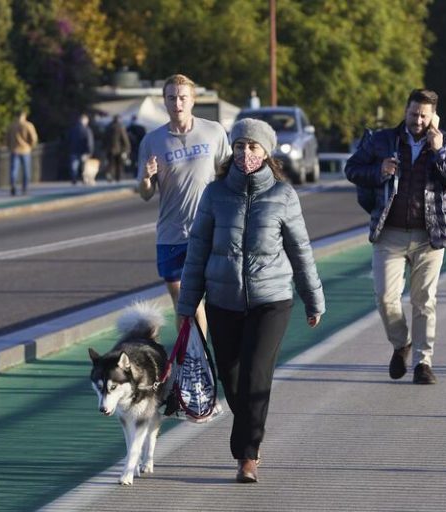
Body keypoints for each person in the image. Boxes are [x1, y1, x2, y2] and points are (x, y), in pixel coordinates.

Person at [176, 118, 325, 484]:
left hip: (271, 300)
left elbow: (300, 251)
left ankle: (248, 454)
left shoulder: (283, 196)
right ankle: (246, 443)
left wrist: (313, 299)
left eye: (253, 147)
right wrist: (186, 306)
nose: (246, 153)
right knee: (232, 376)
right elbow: (197, 251)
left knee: (257, 374)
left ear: (266, 152)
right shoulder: (214, 194)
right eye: (240, 146)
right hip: (222, 300)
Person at [344, 89, 446, 385]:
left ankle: (423, 363)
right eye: (413, 113)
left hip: (429, 236)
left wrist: (439, 152)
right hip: (389, 233)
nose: (417, 120)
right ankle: (402, 344)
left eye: (424, 116)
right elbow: (352, 169)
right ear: (406, 110)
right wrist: (379, 170)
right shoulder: (382, 140)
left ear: (433, 117)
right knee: (385, 298)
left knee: (424, 300)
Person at [138, 74, 231, 333]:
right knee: (182, 302)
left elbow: (228, 176)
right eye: (171, 98)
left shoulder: (213, 131)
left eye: (182, 98)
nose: (177, 103)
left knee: (198, 301)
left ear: (193, 101)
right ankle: (189, 357)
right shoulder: (152, 141)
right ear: (164, 102)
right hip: (170, 235)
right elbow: (145, 193)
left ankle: (199, 358)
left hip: (208, 231)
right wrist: (146, 177)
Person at [6, 111, 39, 196]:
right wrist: (31, 146)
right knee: (26, 170)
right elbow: (33, 138)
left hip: (14, 150)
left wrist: (10, 147)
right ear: (24, 115)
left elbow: (7, 138)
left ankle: (13, 185)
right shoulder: (28, 125)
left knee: (14, 170)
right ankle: (25, 188)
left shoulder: (11, 126)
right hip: (25, 150)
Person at [67, 113, 94, 185]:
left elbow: (68, 140)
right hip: (83, 151)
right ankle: (84, 179)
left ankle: (74, 179)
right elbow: (89, 141)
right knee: (84, 166)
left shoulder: (73, 129)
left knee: (74, 167)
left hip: (73, 150)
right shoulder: (87, 130)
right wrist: (90, 151)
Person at [103, 115, 131, 182]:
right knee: (118, 164)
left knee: (110, 163)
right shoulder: (120, 127)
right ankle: (117, 178)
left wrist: (104, 147)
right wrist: (127, 148)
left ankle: (109, 175)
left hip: (109, 149)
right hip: (119, 149)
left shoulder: (108, 127)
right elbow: (124, 138)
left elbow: (104, 139)